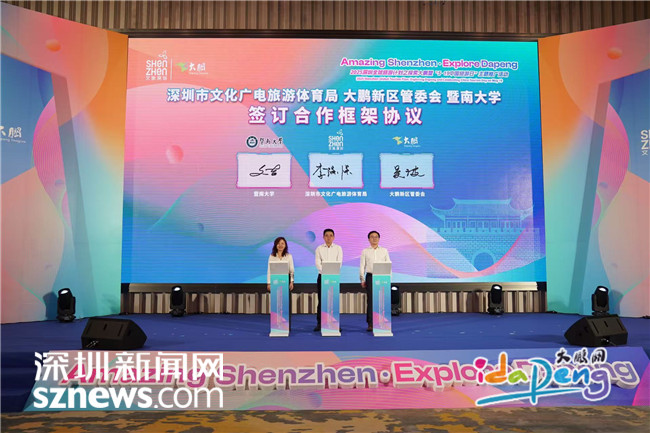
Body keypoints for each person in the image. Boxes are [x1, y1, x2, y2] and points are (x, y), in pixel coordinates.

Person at [360, 230, 390, 331]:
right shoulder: (365, 251)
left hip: (382, 277)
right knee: (371, 300)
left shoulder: (384, 251)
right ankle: (370, 323)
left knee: (381, 300)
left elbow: (388, 264)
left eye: (376, 237)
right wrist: (362, 279)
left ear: (379, 238)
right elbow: (362, 266)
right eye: (372, 237)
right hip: (370, 277)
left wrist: (389, 279)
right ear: (369, 239)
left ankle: (382, 322)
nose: (374, 239)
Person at [314, 228, 342, 332]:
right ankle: (320, 323)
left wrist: (331, 272)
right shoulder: (319, 248)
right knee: (322, 300)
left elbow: (339, 262)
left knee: (333, 301)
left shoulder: (338, 248)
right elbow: (318, 263)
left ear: (334, 237)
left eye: (331, 235)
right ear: (323, 237)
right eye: (326, 235)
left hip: (334, 277)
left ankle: (334, 323)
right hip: (322, 276)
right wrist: (325, 272)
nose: (329, 237)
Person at [267, 237, 294, 328]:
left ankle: (286, 325)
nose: (280, 245)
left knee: (286, 303)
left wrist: (291, 282)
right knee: (276, 303)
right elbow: (269, 270)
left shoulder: (289, 256)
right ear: (275, 245)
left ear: (285, 245)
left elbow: (291, 270)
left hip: (286, 281)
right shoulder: (272, 256)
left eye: (282, 243)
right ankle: (276, 325)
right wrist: (269, 283)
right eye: (278, 243)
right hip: (275, 282)